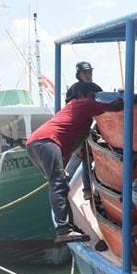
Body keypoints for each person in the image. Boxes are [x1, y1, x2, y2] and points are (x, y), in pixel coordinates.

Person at [26, 81, 123, 244]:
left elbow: (77, 143)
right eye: (93, 96)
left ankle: (68, 227)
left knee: (60, 185)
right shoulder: (81, 104)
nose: (94, 101)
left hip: (37, 143)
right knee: (58, 185)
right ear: (82, 96)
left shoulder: (75, 113)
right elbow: (113, 107)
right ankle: (63, 230)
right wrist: (128, 100)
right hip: (47, 142)